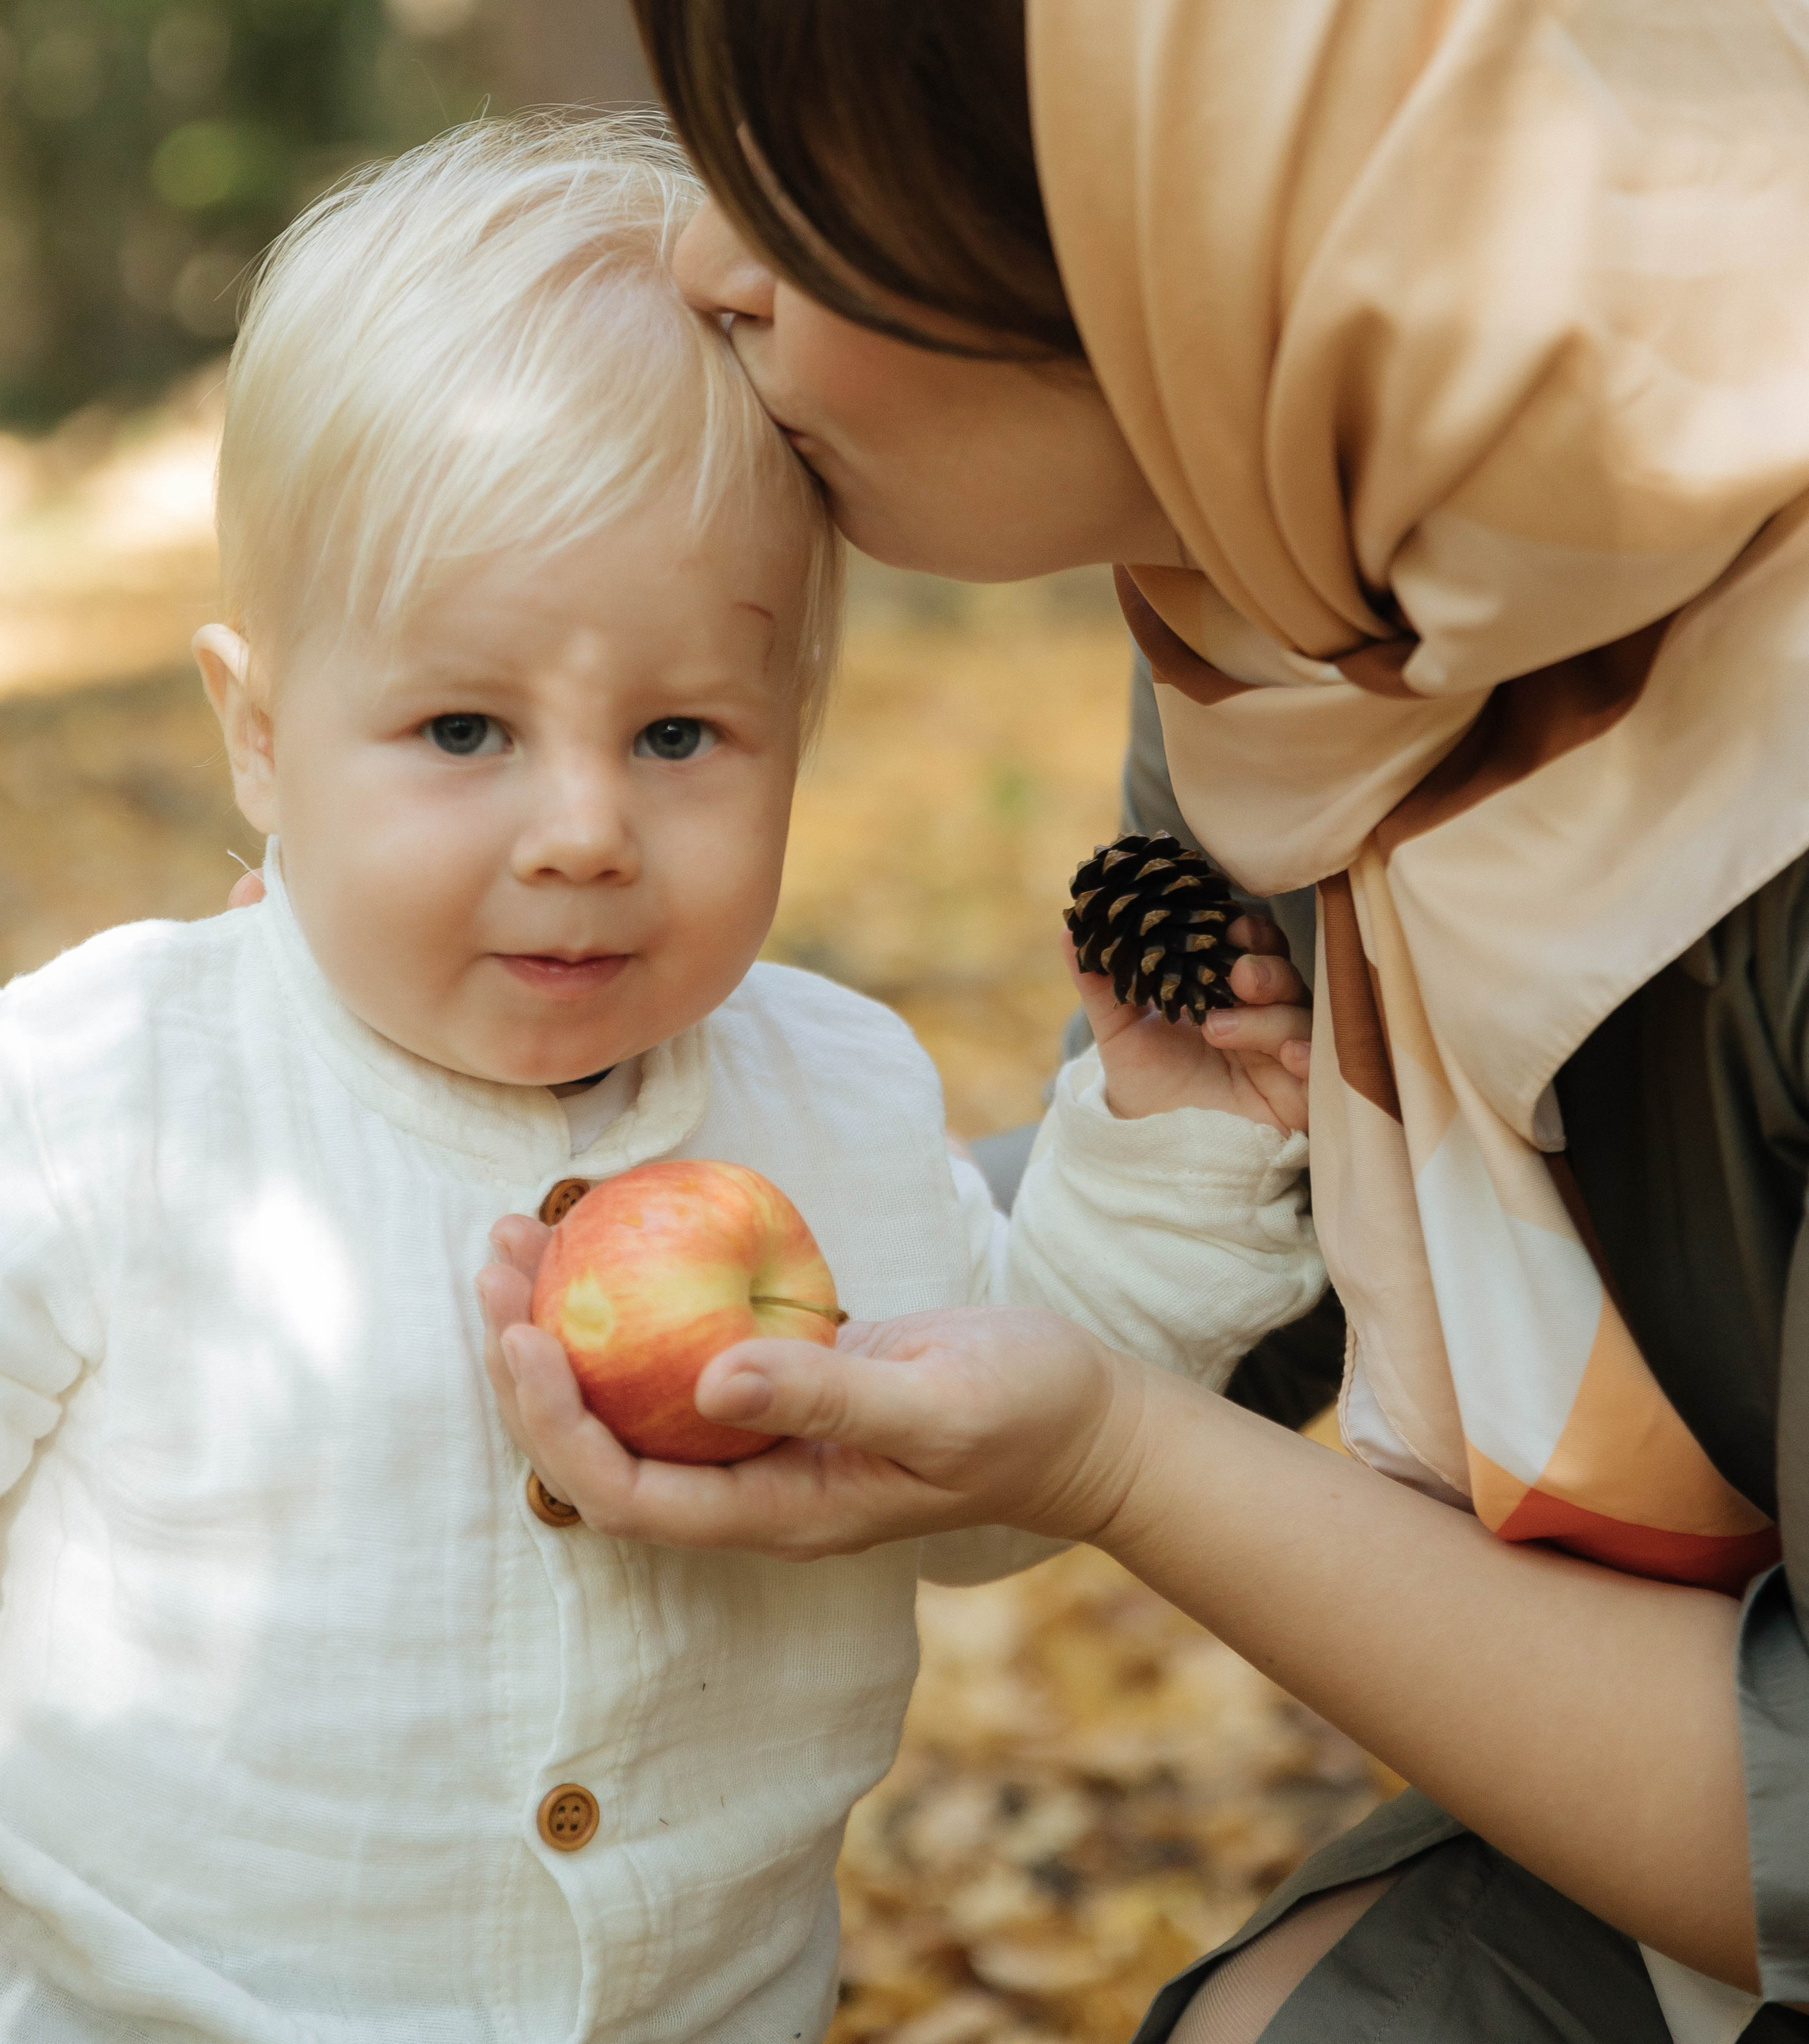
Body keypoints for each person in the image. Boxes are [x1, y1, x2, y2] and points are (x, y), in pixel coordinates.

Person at [483, 0, 1809, 2044]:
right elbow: (1249, 1216)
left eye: (789, 170)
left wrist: (1097, 1454)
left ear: (1171, 187)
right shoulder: (1302, 594)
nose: (700, 259)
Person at [0, 114, 1324, 2043]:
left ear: (798, 727)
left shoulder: (834, 1095)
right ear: (262, 736)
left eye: (682, 733)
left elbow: (989, 1481)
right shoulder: (102, 1097)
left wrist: (1168, 1156)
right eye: (463, 726)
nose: (583, 830)